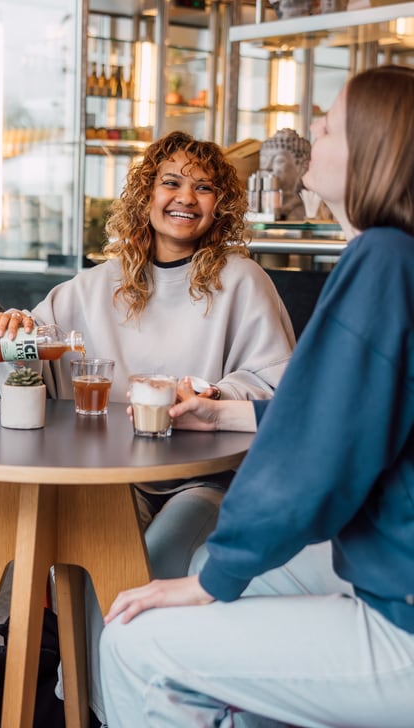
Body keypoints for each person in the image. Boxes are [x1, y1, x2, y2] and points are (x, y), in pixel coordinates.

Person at [99, 65, 414, 728]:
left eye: (326, 126)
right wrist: (221, 410)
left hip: (400, 608)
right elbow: (345, 417)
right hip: (389, 567)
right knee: (214, 563)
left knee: (135, 639)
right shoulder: (395, 257)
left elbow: (317, 456)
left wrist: (214, 585)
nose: (309, 139)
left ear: (372, 150)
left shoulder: (382, 260)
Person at [0, 130, 295, 723]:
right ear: (146, 195)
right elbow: (31, 361)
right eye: (172, 182)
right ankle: (93, 704)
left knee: (151, 557)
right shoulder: (96, 284)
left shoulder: (242, 281)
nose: (187, 197)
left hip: (203, 478)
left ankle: (137, 707)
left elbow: (282, 390)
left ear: (221, 205)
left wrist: (211, 395)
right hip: (114, 477)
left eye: (204, 186)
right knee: (89, 556)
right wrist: (16, 335)